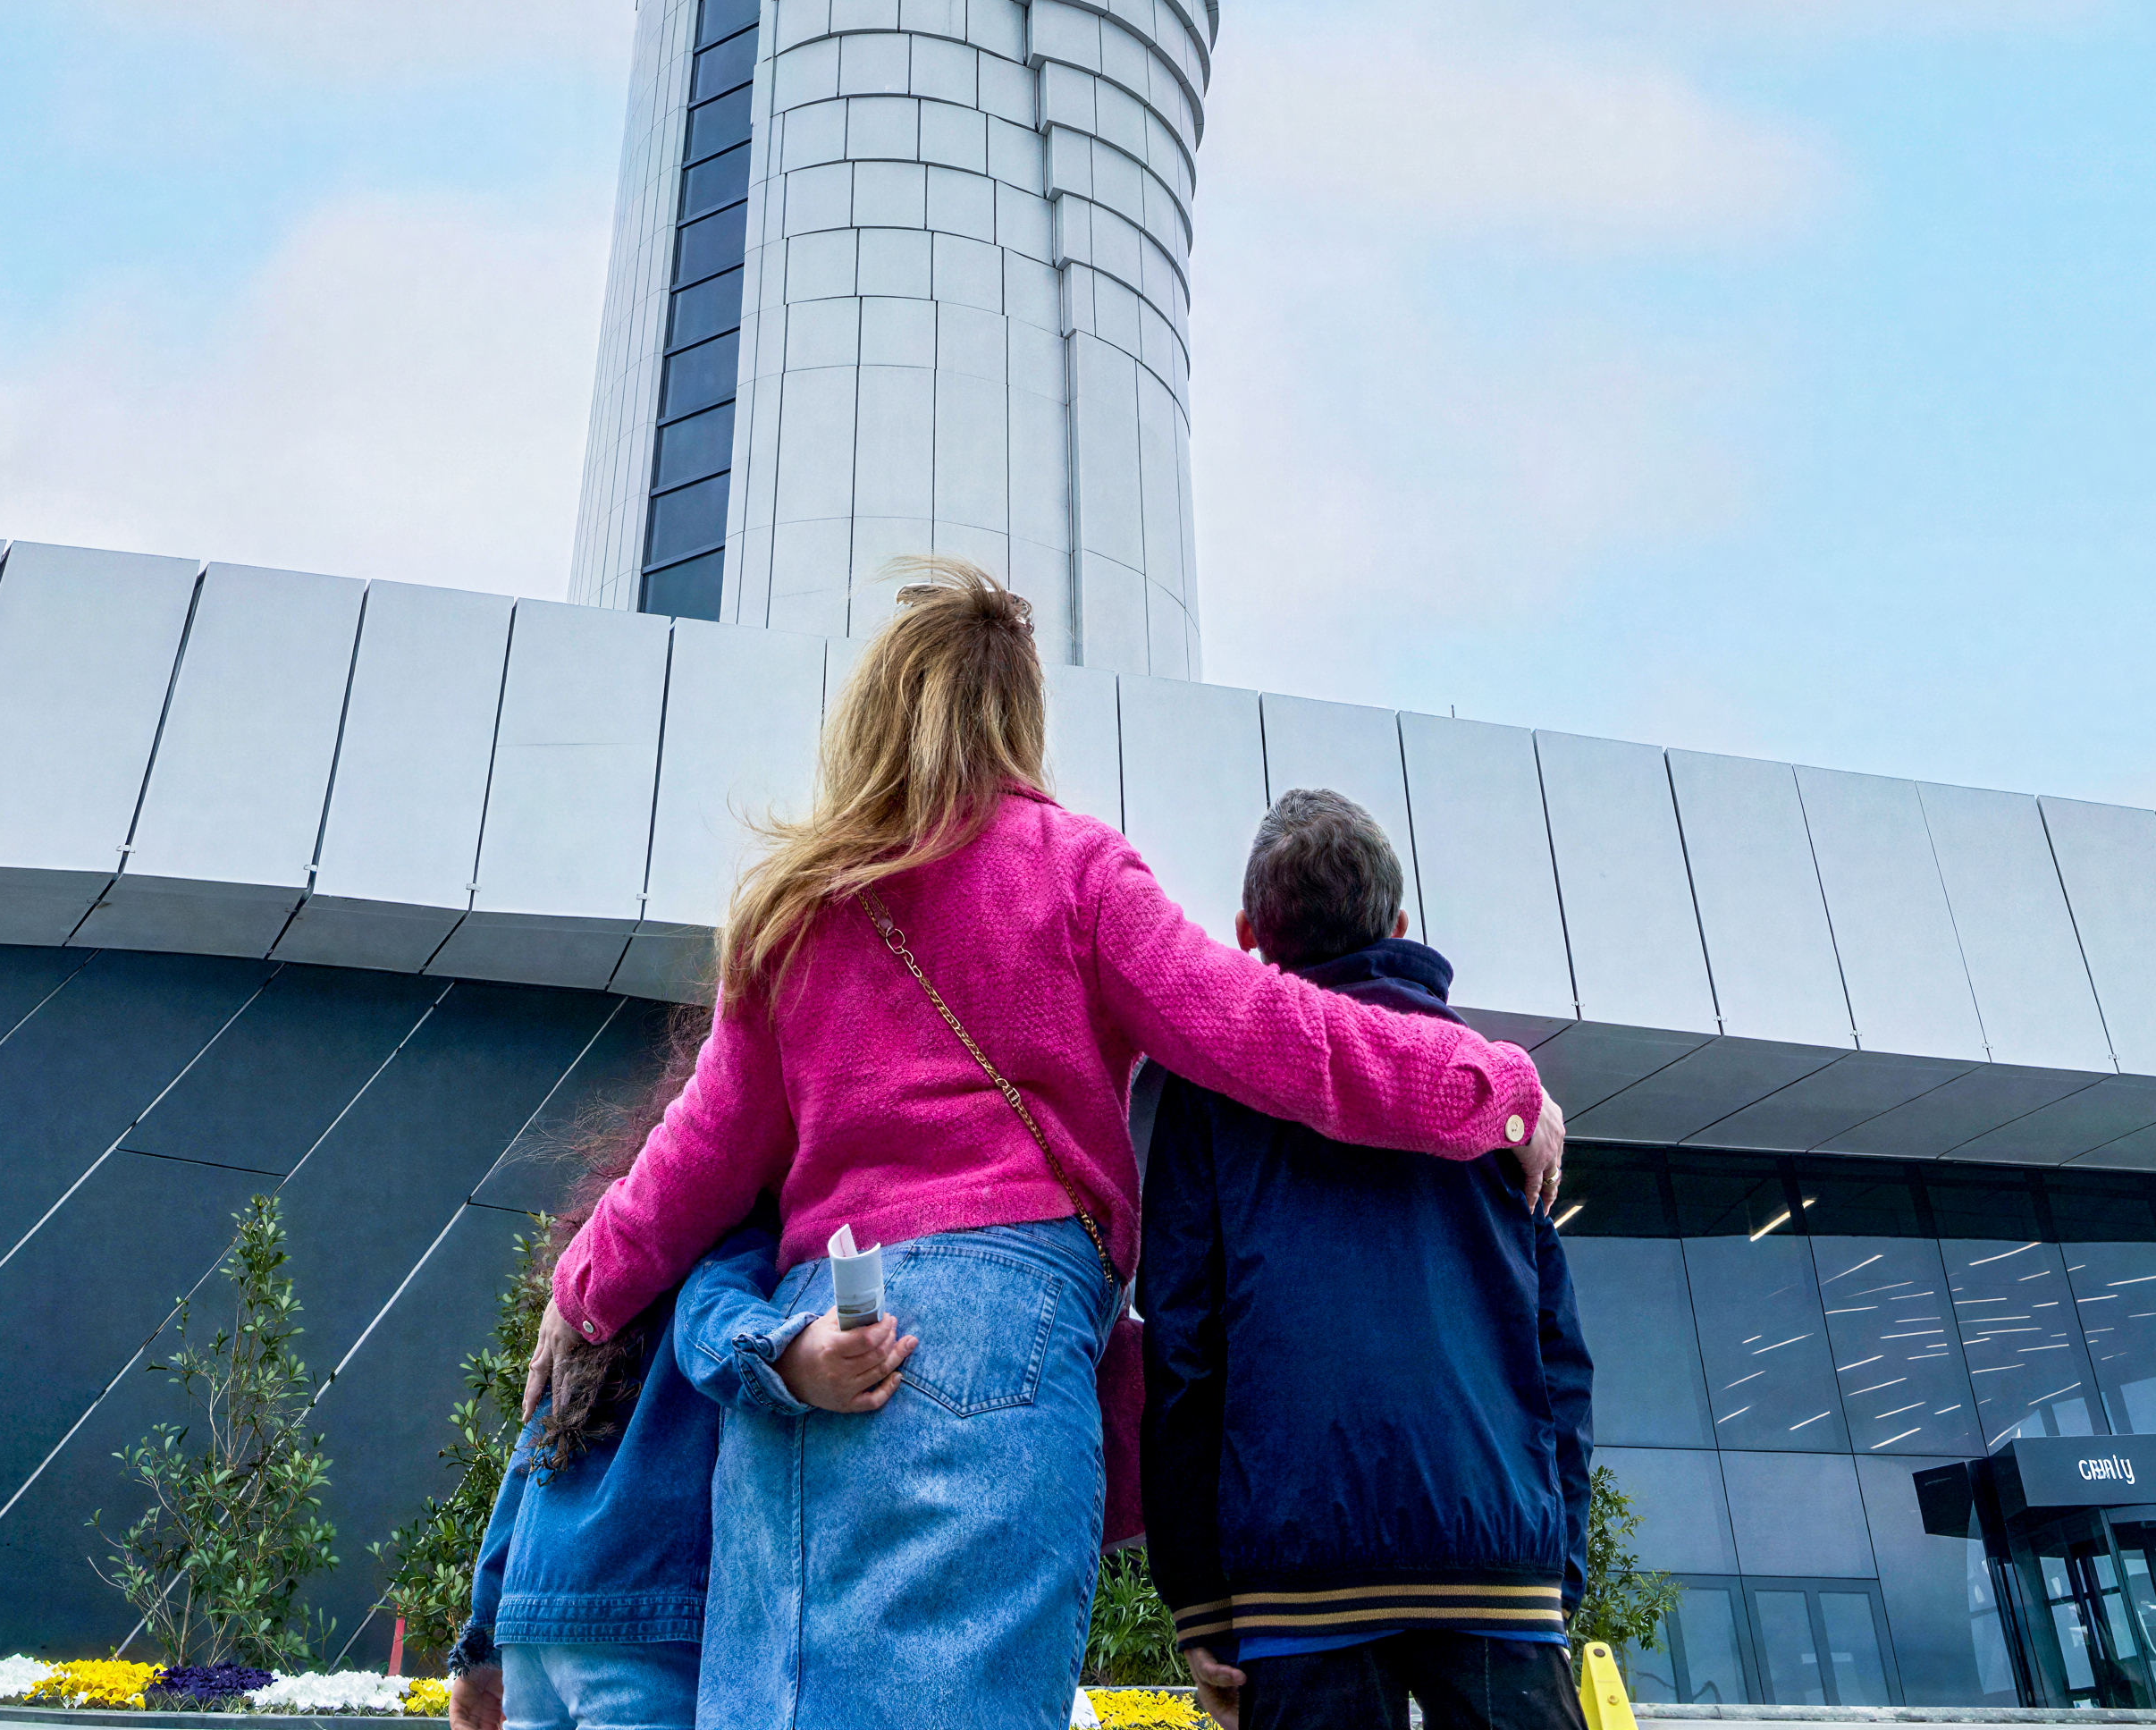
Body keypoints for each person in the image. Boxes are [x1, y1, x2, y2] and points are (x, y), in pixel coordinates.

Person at [530, 563, 1568, 1730]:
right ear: (1019, 718)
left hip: (805, 1356)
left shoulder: (795, 910)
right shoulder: (1073, 874)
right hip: (997, 1340)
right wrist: (1492, 1086)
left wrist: (584, 1290)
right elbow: (1267, 1033)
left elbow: (695, 1159)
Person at [1141, 788, 1597, 1730]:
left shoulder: (1207, 1092)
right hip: (1497, 1561)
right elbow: (1555, 1348)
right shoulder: (1491, 1085)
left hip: (1296, 1582)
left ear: (1247, 933)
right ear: (1398, 922)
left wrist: (1197, 1595)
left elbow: (1181, 1346)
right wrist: (1563, 1560)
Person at [448, 1027, 803, 1730]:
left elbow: (531, 1464)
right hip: (645, 1613)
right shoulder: (744, 1253)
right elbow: (726, 1337)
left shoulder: (597, 1294)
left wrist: (480, 1641)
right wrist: (798, 1357)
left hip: (534, 1617)